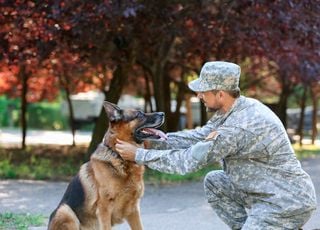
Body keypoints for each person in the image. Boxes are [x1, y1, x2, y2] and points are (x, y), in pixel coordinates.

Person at [115, 61, 317, 229]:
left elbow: (188, 162)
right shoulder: (233, 110)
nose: (198, 96)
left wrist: (138, 155)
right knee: (215, 181)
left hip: (284, 202)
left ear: (220, 93)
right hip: (263, 193)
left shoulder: (238, 127)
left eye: (203, 91)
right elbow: (198, 137)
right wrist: (151, 142)